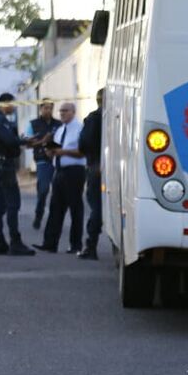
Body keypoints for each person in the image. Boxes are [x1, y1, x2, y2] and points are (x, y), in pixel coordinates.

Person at [0, 93, 38, 256]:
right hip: (3, 165)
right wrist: (26, 141)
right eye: (13, 104)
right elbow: (9, 140)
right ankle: (15, 242)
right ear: (5, 104)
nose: (14, 108)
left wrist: (21, 141)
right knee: (12, 204)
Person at [34, 102, 86, 254]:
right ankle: (50, 243)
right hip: (59, 171)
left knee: (75, 209)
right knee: (55, 207)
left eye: (66, 111)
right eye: (61, 111)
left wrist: (62, 152)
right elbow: (53, 151)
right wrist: (49, 151)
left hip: (74, 171)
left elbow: (82, 152)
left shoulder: (79, 129)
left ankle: (75, 245)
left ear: (73, 112)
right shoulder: (59, 130)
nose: (62, 114)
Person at [24, 99, 62, 230]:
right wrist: (43, 141)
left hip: (57, 161)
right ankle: (38, 215)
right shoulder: (33, 124)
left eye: (50, 108)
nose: (48, 110)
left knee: (58, 193)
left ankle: (54, 221)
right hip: (42, 161)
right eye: (45, 108)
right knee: (43, 190)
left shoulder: (59, 124)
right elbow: (28, 145)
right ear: (40, 109)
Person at [77, 89, 105, 260]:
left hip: (95, 166)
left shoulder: (93, 118)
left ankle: (91, 245)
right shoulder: (120, 117)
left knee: (96, 206)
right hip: (115, 166)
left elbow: (83, 144)